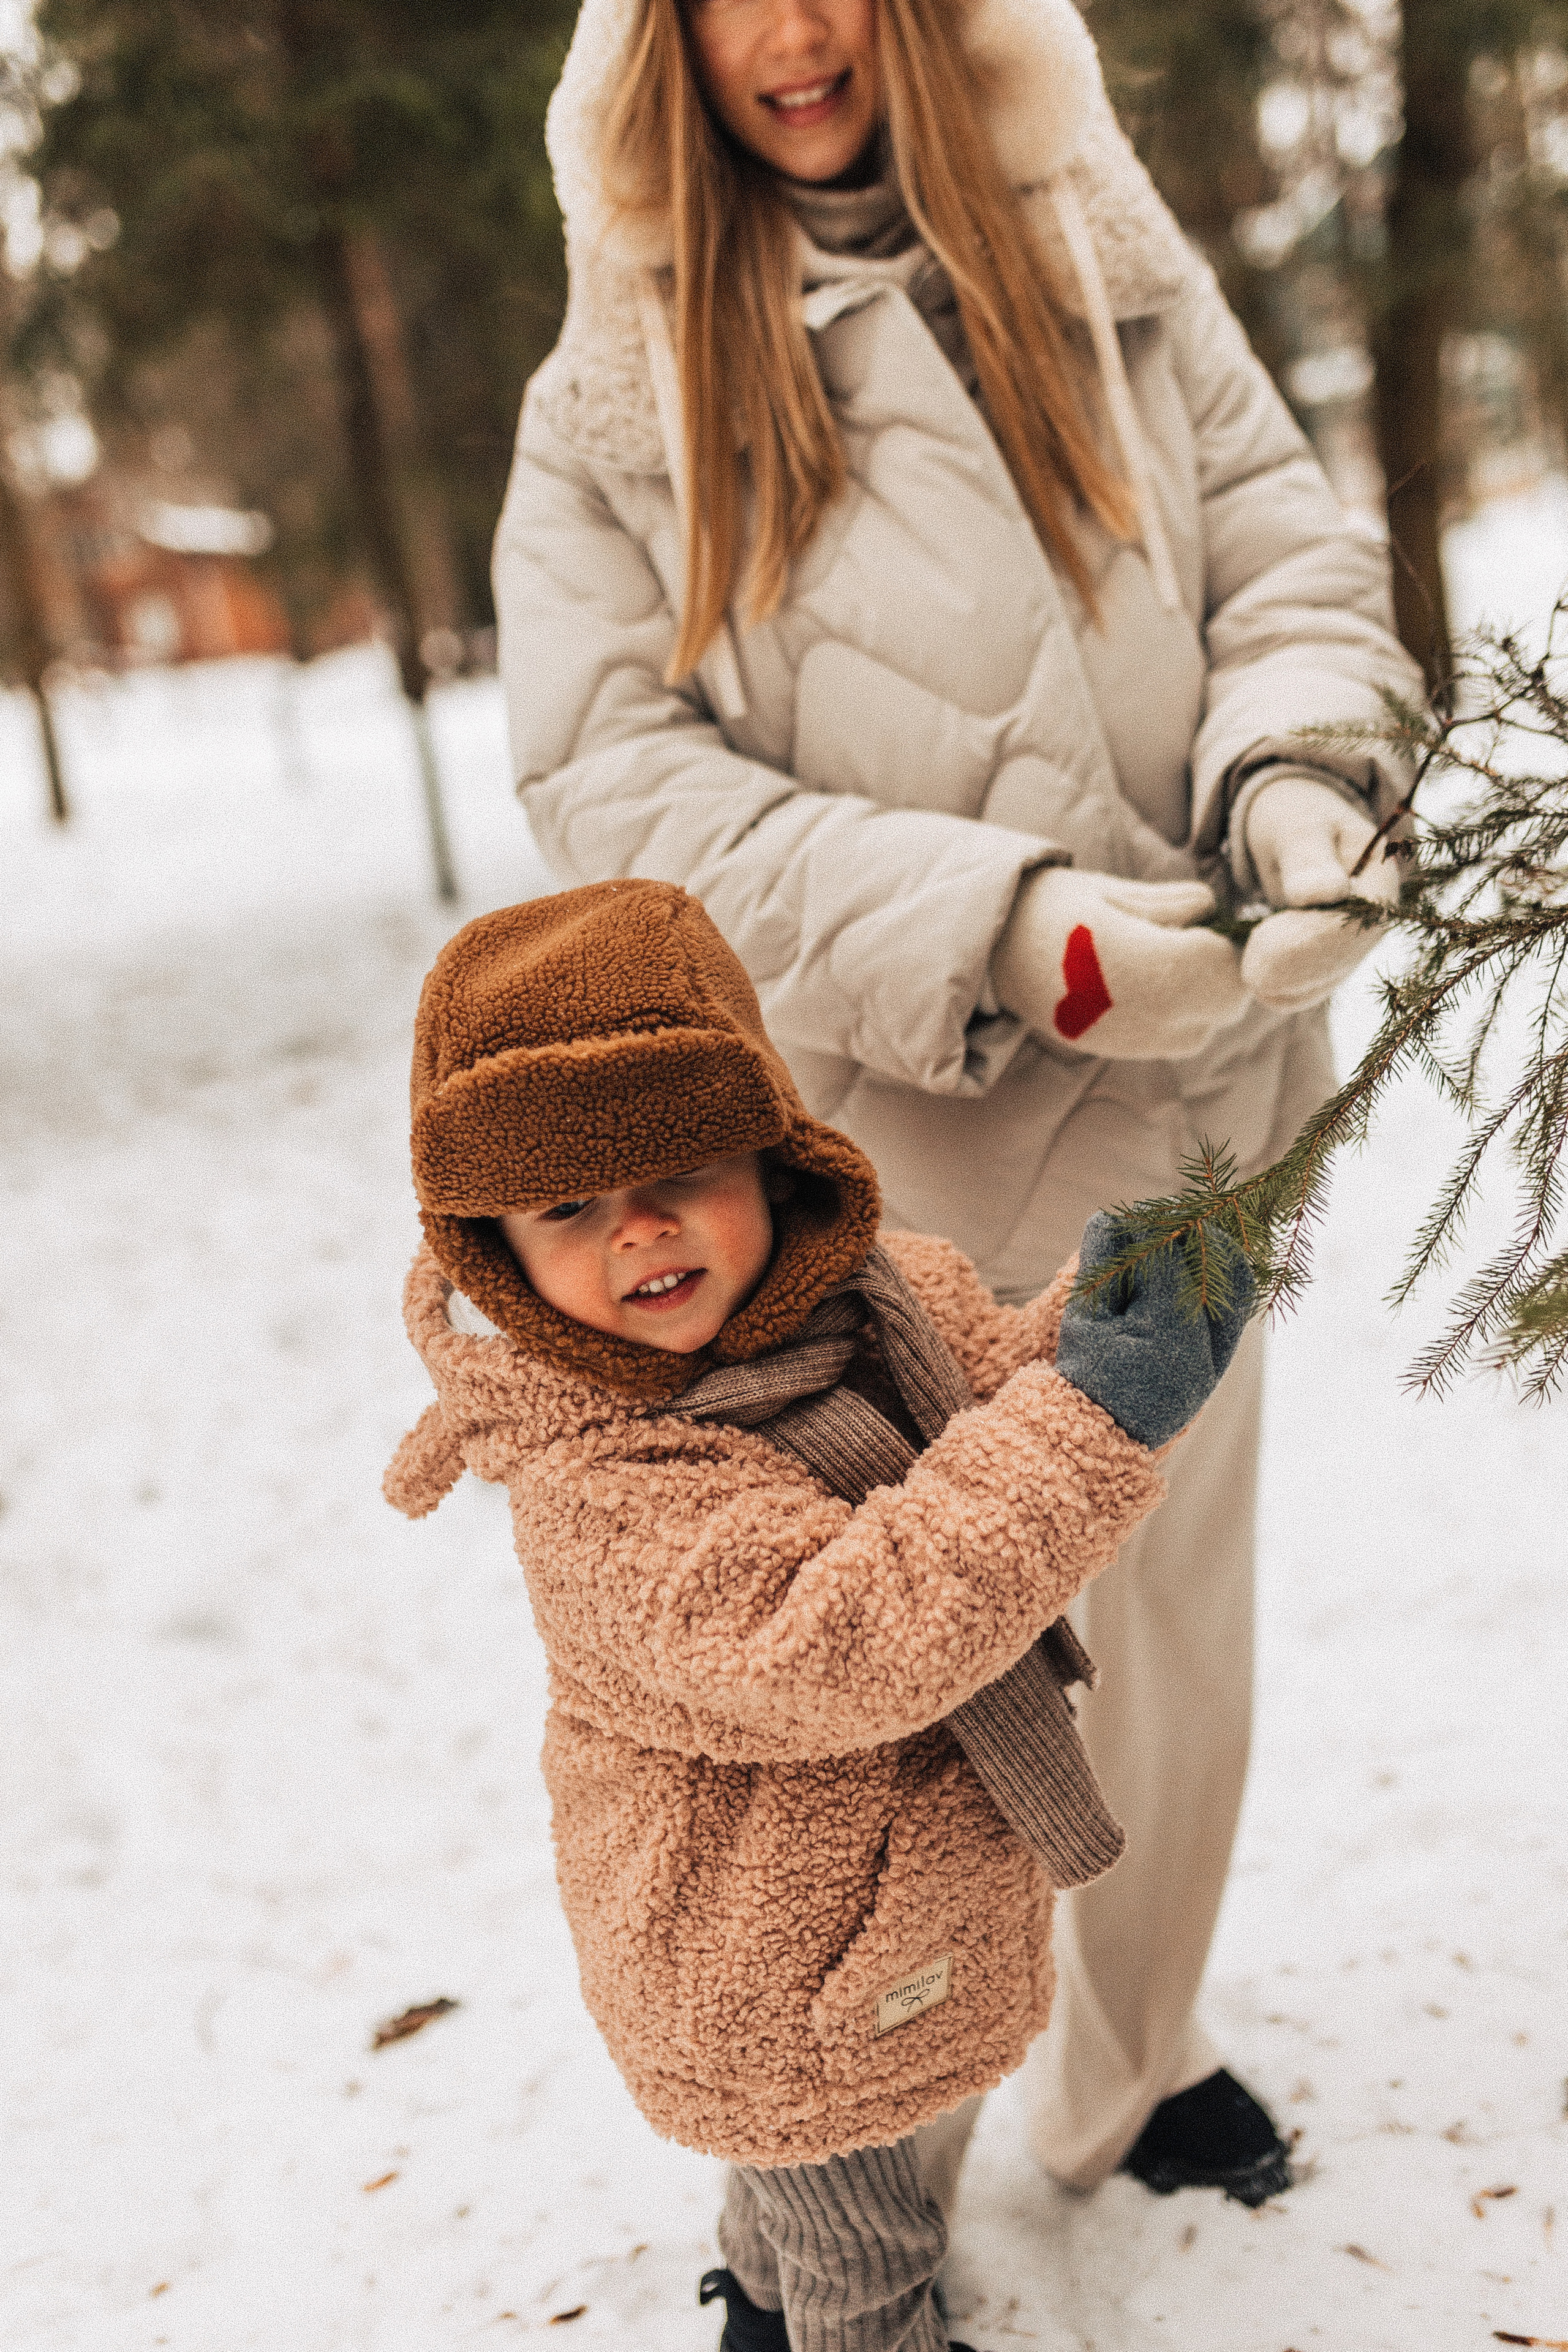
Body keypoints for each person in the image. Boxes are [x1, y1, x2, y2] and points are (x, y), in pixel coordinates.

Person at [492, 0, 1420, 2205]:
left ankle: (1136, 2056)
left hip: (1196, 1103)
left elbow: (1285, 558)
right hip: (893, 1159)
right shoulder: (616, 391)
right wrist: (1003, 930)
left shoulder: (1100, 254)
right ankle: (841, 2187)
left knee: (1171, 1631)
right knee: (888, 1699)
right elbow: (612, 776)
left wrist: (1292, 776)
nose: (796, 30)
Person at [385, 880, 1255, 2352]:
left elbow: (982, 1409)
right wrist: (1099, 1417)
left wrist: (1090, 1329)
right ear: (496, 1252)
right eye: (567, 1208)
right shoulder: (603, 1479)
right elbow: (843, 1640)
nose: (640, 1231)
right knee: (867, 2246)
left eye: (680, 1169)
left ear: (772, 1157)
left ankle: (764, 2303)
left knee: (803, 2202)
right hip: (765, 1959)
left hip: (864, 1912)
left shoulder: (869, 1296)